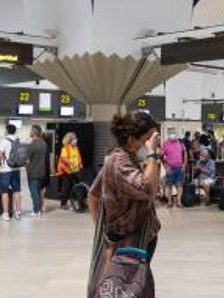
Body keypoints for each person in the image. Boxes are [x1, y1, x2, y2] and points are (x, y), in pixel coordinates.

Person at [87, 112, 162, 266]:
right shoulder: (119, 162)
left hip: (140, 239)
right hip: (128, 242)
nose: (150, 143)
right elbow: (149, 190)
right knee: (129, 287)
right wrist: (152, 153)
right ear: (131, 140)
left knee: (138, 286)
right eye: (146, 139)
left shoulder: (126, 159)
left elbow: (93, 193)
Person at [0, 123, 24, 221]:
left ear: (7, 130)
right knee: (17, 191)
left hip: (6, 169)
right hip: (16, 169)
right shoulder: (18, 141)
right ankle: (17, 212)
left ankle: (6, 213)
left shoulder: (4, 140)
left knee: (4, 191)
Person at [25, 125, 49, 217]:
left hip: (33, 172)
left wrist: (26, 165)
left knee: (34, 192)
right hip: (42, 172)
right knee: (39, 191)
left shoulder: (31, 145)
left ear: (34, 132)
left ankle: (36, 210)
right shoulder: (44, 144)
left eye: (31, 131)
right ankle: (39, 208)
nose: (29, 132)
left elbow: (27, 160)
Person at [56, 131, 84, 208]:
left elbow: (78, 158)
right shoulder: (65, 149)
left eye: (76, 138)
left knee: (78, 187)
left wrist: (78, 165)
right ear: (69, 140)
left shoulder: (76, 148)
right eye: (74, 139)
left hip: (76, 171)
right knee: (66, 188)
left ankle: (81, 203)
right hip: (67, 171)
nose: (76, 140)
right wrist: (71, 163)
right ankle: (63, 204)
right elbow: (64, 158)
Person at [161, 129, 187, 208]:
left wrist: (184, 165)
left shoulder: (180, 143)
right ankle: (169, 202)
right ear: (168, 135)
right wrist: (166, 166)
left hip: (179, 167)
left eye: (174, 133)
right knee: (169, 185)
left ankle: (179, 202)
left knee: (179, 185)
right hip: (170, 167)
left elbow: (185, 153)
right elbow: (161, 156)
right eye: (171, 134)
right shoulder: (165, 144)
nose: (173, 135)